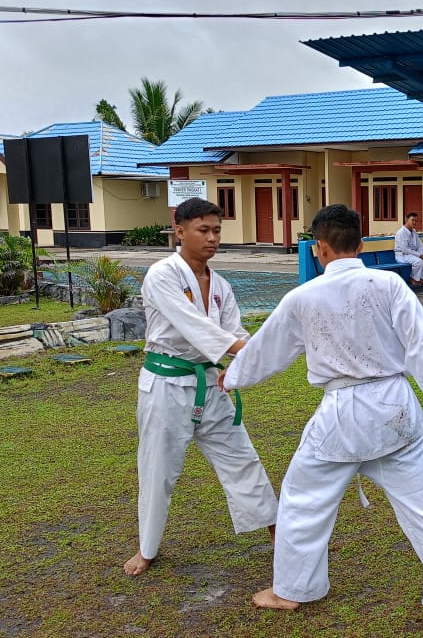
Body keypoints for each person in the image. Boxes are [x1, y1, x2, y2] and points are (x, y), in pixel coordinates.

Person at [220, 204, 423, 627]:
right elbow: (421, 344)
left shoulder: (302, 297)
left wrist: (232, 377)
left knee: (302, 502)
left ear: (319, 248)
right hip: (396, 410)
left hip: (341, 415)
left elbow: (269, 350)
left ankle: (291, 591)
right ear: (360, 244)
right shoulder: (390, 284)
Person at [123, 197, 278, 577]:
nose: (212, 238)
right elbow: (195, 326)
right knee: (158, 470)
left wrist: (241, 361)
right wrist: (246, 351)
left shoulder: (221, 285)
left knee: (243, 459)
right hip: (166, 386)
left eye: (217, 231)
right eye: (203, 230)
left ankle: (279, 535)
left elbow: (234, 331)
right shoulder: (162, 275)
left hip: (211, 385)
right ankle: (147, 548)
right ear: (179, 231)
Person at [394, 211, 423, 287]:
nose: (414, 222)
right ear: (406, 220)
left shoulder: (414, 232)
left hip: (413, 255)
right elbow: (405, 249)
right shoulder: (401, 232)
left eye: (416, 221)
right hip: (402, 255)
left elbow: (420, 245)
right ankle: (413, 278)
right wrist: (419, 256)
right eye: (412, 220)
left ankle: (421, 278)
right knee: (418, 261)